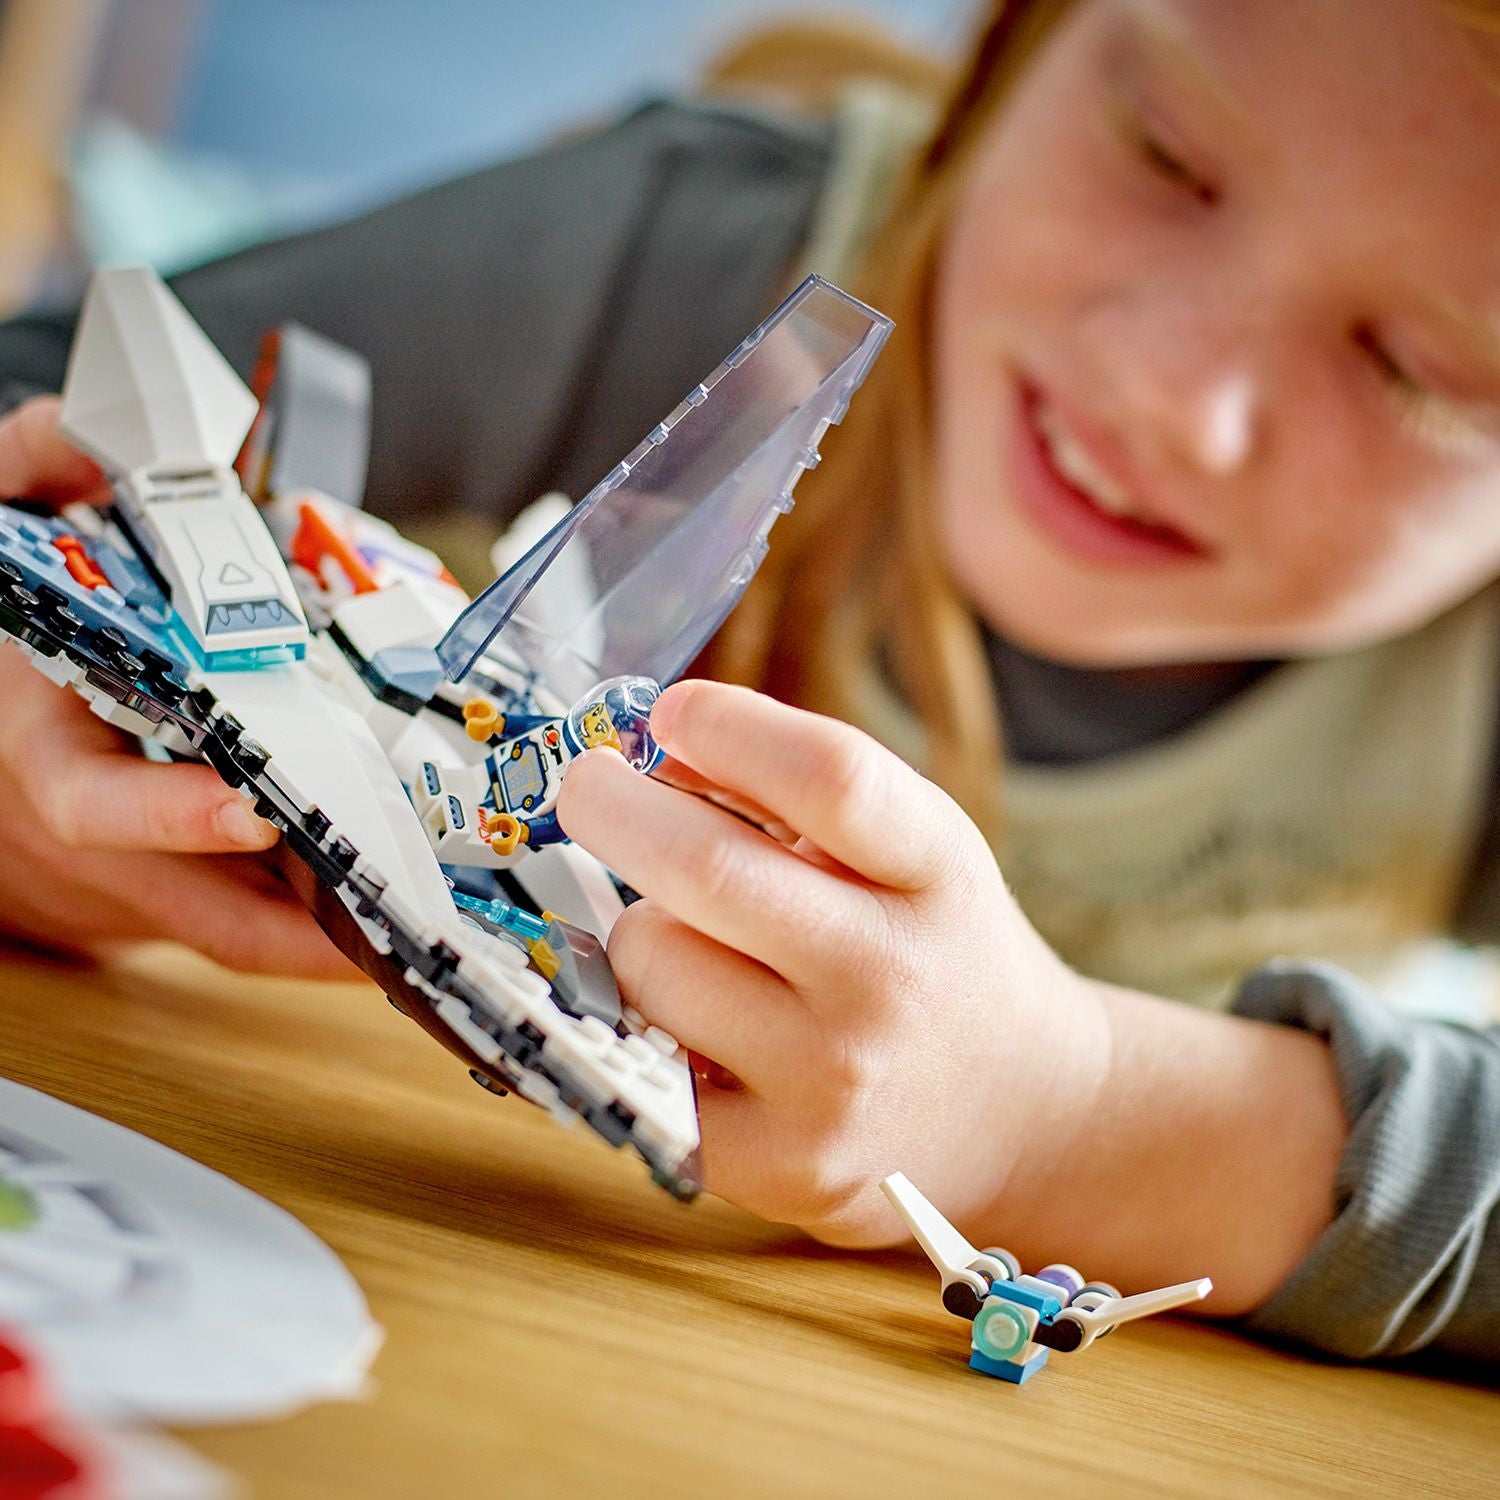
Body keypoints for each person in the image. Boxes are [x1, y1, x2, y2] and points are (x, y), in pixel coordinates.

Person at [0, 0, 1496, 1365]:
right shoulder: (660, 253)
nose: (1178, 393)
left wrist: (1078, 1110)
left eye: (1421, 370)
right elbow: (46, 410)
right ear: (1013, 52)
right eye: (1163, 153)